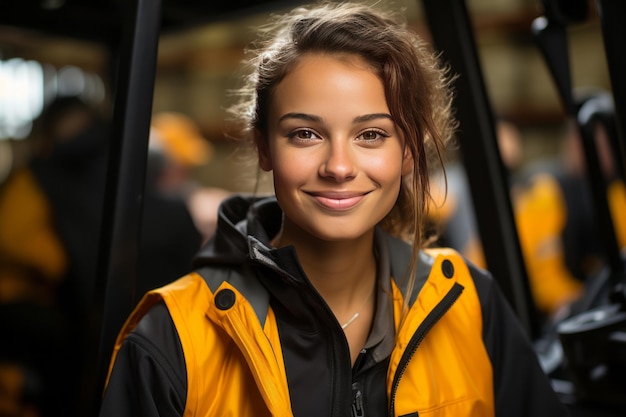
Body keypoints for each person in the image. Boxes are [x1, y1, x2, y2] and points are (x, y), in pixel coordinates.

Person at [99, 2, 569, 416]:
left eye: (372, 135)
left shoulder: (468, 301)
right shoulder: (170, 339)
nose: (339, 167)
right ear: (264, 148)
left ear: (408, 152)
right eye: (305, 133)